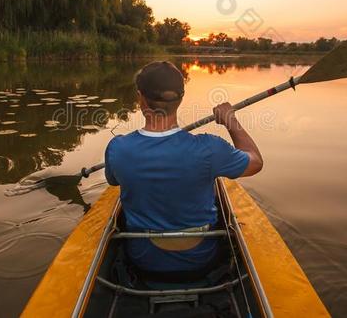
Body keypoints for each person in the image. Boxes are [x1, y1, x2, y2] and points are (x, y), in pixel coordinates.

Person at [105, 61, 263, 275]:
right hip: (202, 259)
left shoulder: (118, 148)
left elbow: (113, 181)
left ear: (140, 97)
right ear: (181, 98)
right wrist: (230, 120)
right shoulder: (211, 148)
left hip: (143, 260)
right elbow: (255, 162)